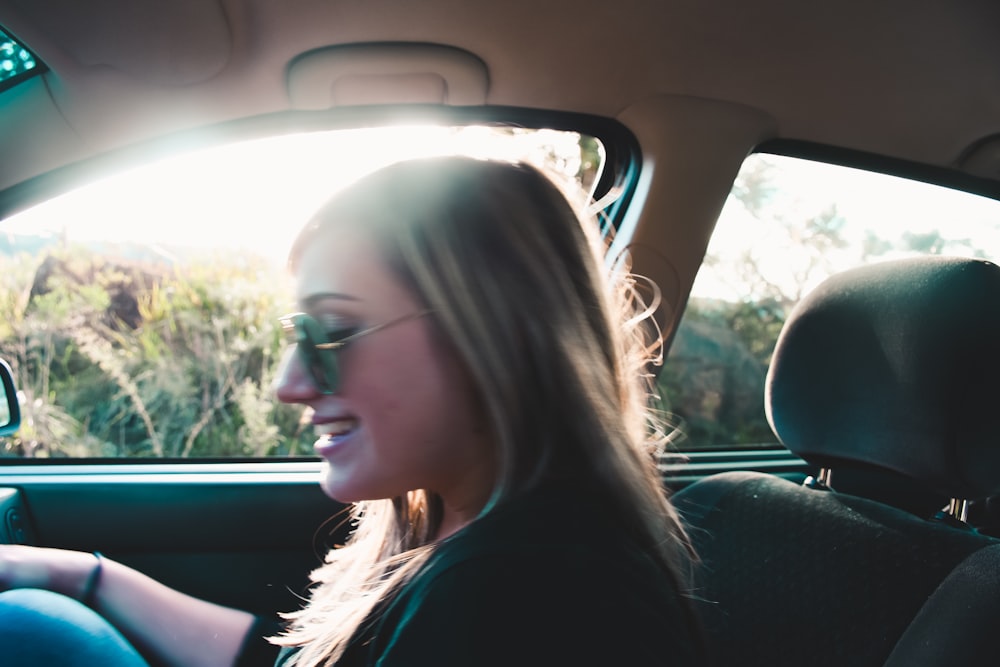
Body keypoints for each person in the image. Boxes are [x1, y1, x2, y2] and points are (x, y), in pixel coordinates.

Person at [0, 155, 708, 666]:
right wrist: (84, 576)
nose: (288, 384)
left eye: (331, 330)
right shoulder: (474, 534)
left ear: (493, 332)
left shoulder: (527, 594)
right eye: (294, 334)